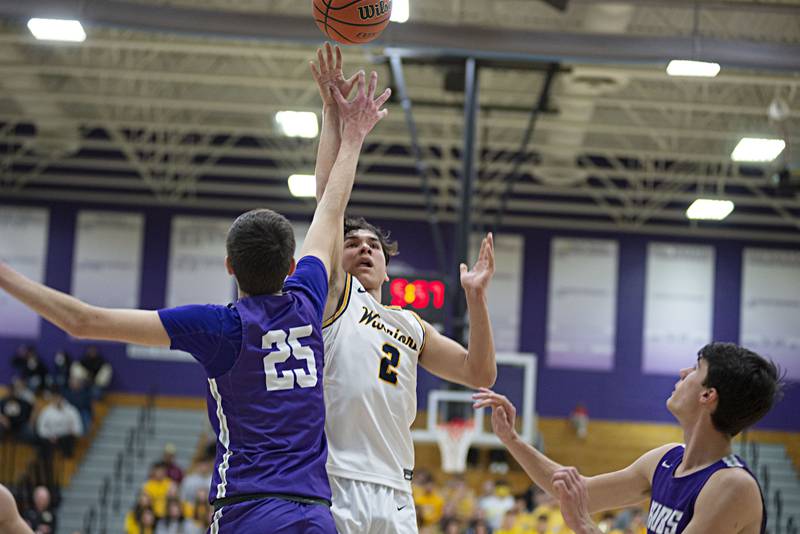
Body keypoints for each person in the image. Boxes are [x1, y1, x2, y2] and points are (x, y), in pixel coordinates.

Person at [0, 66, 391, 534]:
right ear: (290, 266)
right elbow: (331, 205)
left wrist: (5, 275)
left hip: (248, 510)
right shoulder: (306, 297)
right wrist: (350, 132)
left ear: (229, 266)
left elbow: (82, 321)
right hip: (313, 512)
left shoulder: (218, 328)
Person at [310, 42, 497, 534]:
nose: (364, 249)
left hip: (396, 491)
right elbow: (329, 196)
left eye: (374, 245)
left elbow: (481, 372)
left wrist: (476, 300)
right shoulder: (335, 297)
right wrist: (333, 114)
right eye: (352, 243)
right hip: (336, 480)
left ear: (389, 269)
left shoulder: (410, 325)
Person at [473, 342, 782, 534]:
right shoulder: (668, 459)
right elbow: (580, 493)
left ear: (707, 395)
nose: (683, 372)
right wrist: (511, 439)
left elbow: (582, 510)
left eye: (696, 368)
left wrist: (585, 527)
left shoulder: (731, 486)